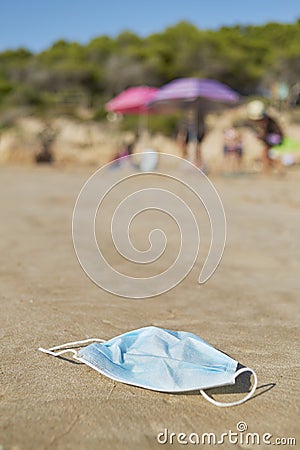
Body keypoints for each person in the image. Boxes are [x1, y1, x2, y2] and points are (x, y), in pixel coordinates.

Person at [247, 100, 284, 174]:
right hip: (275, 137)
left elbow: (266, 132)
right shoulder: (267, 119)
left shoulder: (265, 120)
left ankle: (267, 171)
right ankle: (277, 168)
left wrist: (261, 136)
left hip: (274, 137)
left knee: (264, 155)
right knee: (266, 155)